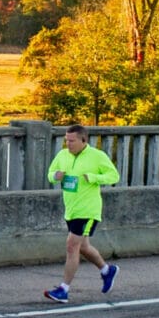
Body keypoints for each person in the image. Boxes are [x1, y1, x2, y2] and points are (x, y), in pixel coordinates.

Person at [44, 124, 121, 302]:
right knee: (83, 247)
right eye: (66, 140)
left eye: (72, 141)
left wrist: (94, 178)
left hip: (88, 210)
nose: (68, 144)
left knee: (72, 245)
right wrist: (55, 176)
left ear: (83, 140)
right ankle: (107, 271)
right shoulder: (62, 155)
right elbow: (50, 173)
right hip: (71, 209)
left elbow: (114, 176)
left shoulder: (97, 156)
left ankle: (63, 289)